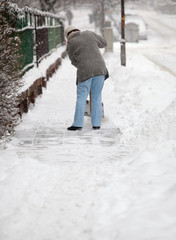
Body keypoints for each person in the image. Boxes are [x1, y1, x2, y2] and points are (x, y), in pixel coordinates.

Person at [65, 26, 109, 131]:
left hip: (85, 71)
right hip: (100, 69)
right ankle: (96, 124)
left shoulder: (71, 43)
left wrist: (83, 64)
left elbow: (73, 60)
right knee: (96, 97)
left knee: (81, 97)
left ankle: (78, 124)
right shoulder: (89, 33)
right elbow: (104, 43)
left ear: (67, 36)